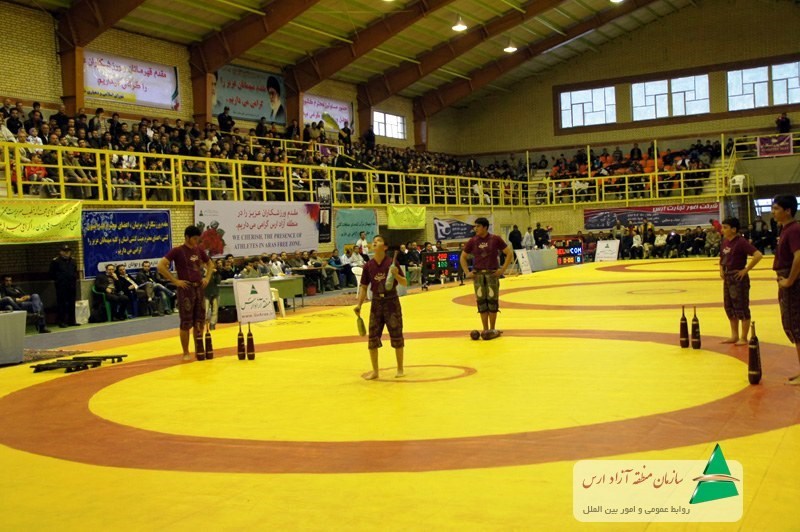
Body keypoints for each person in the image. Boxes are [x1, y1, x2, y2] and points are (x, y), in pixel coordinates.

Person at [354, 236, 407, 380]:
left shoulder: (392, 263)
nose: (375, 242)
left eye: (378, 240)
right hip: (376, 302)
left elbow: (404, 283)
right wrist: (359, 304)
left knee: (396, 334)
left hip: (392, 301)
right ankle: (375, 371)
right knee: (372, 338)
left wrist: (396, 275)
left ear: (385, 247)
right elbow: (363, 287)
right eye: (374, 241)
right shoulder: (368, 266)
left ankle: (400, 368)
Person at [158, 225, 214, 362]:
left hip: (199, 288)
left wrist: (207, 278)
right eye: (194, 239)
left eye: (197, 239)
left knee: (199, 321)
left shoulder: (199, 250)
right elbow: (161, 266)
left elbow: (210, 264)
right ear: (187, 237)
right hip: (186, 289)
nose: (196, 241)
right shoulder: (177, 251)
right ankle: (186, 352)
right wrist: (175, 281)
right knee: (186, 322)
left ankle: (198, 349)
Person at [460, 217, 513, 339]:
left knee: (492, 302)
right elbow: (463, 257)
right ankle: (485, 329)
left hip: (492, 274)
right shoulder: (473, 241)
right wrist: (467, 272)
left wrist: (502, 270)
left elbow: (509, 253)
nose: (475, 229)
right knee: (481, 303)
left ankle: (492, 329)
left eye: (478, 226)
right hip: (478, 275)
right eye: (475, 226)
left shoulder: (495, 239)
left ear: (485, 227)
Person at [719, 217, 762, 345]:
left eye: (725, 227)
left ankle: (743, 337)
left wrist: (745, 270)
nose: (722, 230)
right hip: (728, 277)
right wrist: (721, 269)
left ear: (733, 229)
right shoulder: (725, 242)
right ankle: (734, 335)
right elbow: (722, 257)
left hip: (738, 278)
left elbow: (758, 255)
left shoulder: (741, 242)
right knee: (729, 306)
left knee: (741, 306)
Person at [771, 195, 800, 385]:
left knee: (797, 326)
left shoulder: (794, 230)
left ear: (787, 211)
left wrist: (790, 280)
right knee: (794, 326)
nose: (773, 212)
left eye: (776, 209)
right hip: (788, 281)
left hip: (794, 284)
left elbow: (799, 256)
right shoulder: (786, 229)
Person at [49, 244, 79, 328]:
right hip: (61, 286)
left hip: (72, 285)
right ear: (61, 252)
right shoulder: (56, 261)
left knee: (71, 303)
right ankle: (61, 321)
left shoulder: (73, 261)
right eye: (65, 251)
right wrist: (59, 280)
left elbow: (74, 271)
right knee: (62, 304)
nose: (67, 253)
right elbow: (51, 273)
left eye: (68, 251)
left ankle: (71, 321)